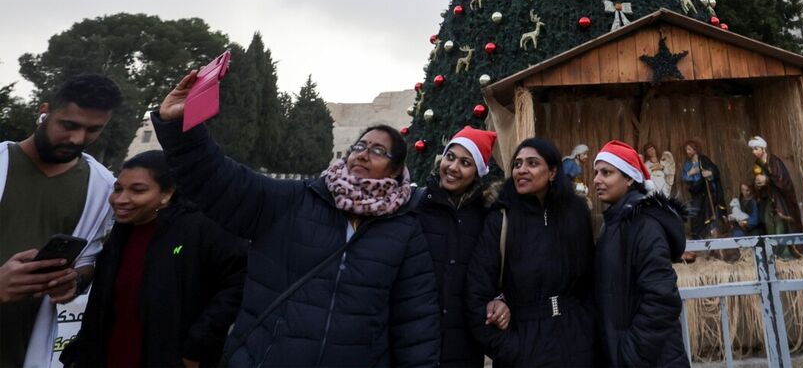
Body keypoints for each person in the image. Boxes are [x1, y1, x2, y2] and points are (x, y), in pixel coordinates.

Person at [152, 71, 439, 367]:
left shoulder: (405, 231)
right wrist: (178, 127)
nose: (364, 155)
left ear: (395, 171)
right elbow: (220, 181)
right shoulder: (294, 200)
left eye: (379, 151)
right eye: (360, 146)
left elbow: (415, 320)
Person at [60, 151, 247, 368]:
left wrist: (197, 345)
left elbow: (238, 282)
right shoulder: (121, 233)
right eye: (118, 189)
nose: (120, 199)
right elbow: (105, 302)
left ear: (167, 193)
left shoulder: (204, 228)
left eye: (137, 190)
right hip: (112, 354)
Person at [0, 74, 121, 368]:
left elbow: (89, 261)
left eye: (93, 130)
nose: (78, 139)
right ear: (45, 111)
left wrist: (75, 281)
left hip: (26, 348)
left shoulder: (103, 188)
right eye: (69, 125)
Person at [465, 138, 595, 367]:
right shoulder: (501, 219)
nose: (521, 170)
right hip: (524, 347)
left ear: (553, 172)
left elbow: (590, 282)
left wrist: (587, 332)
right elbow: (476, 294)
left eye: (532, 163)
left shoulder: (576, 215)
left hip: (577, 345)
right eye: (517, 164)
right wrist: (512, 350)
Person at [413, 127, 508, 368]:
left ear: (477, 171)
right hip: (415, 338)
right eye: (450, 157)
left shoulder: (488, 217)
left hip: (465, 344)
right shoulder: (417, 206)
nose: (453, 167)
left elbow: (497, 272)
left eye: (465, 162)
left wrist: (500, 299)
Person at [591, 140, 689, 368]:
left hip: (651, 359)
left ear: (629, 178)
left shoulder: (644, 225)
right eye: (596, 172)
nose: (597, 180)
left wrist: (630, 353)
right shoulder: (615, 221)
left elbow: (662, 299)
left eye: (607, 173)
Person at [680, 140, 727, 238]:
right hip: (696, 191)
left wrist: (709, 173)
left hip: (707, 190)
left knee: (710, 210)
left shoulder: (704, 160)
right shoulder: (688, 164)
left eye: (689, 149)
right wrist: (690, 173)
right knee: (696, 212)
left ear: (695, 149)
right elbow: (684, 177)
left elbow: (715, 170)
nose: (687, 151)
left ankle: (712, 234)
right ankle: (697, 235)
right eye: (686, 150)